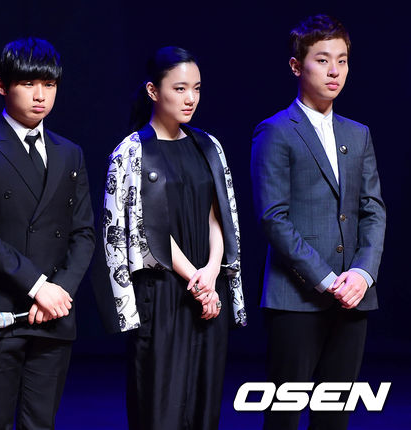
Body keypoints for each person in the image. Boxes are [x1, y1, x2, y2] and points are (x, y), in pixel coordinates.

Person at [94, 46, 246, 430]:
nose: (190, 98)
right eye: (179, 88)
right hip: (162, 293)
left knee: (204, 409)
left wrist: (212, 272)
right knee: (159, 411)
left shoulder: (208, 145)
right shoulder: (131, 152)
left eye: (196, 88)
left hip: (208, 291)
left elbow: (219, 216)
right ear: (153, 91)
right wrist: (196, 278)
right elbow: (144, 228)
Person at [0, 37, 95, 429]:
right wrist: (37, 286)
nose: (40, 96)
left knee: (41, 423)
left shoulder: (70, 152)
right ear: (2, 85)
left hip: (54, 313)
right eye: (29, 83)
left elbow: (84, 232)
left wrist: (59, 292)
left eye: (49, 84)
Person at [250, 14, 386, 430]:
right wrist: (328, 280)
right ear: (296, 66)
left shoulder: (358, 133)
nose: (334, 71)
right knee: (284, 416)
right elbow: (274, 218)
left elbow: (373, 210)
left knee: (335, 417)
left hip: (354, 296)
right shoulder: (275, 131)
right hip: (296, 298)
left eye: (342, 61)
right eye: (323, 60)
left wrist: (362, 273)